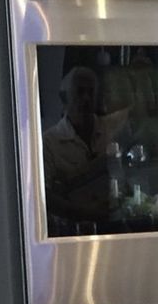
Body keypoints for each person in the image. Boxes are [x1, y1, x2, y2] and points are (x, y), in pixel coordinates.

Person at [42, 66, 130, 233]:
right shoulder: (49, 142)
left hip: (115, 225)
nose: (86, 99)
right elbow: (43, 195)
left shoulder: (109, 128)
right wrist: (83, 212)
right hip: (73, 233)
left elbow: (136, 114)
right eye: (80, 92)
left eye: (91, 92)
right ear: (64, 97)